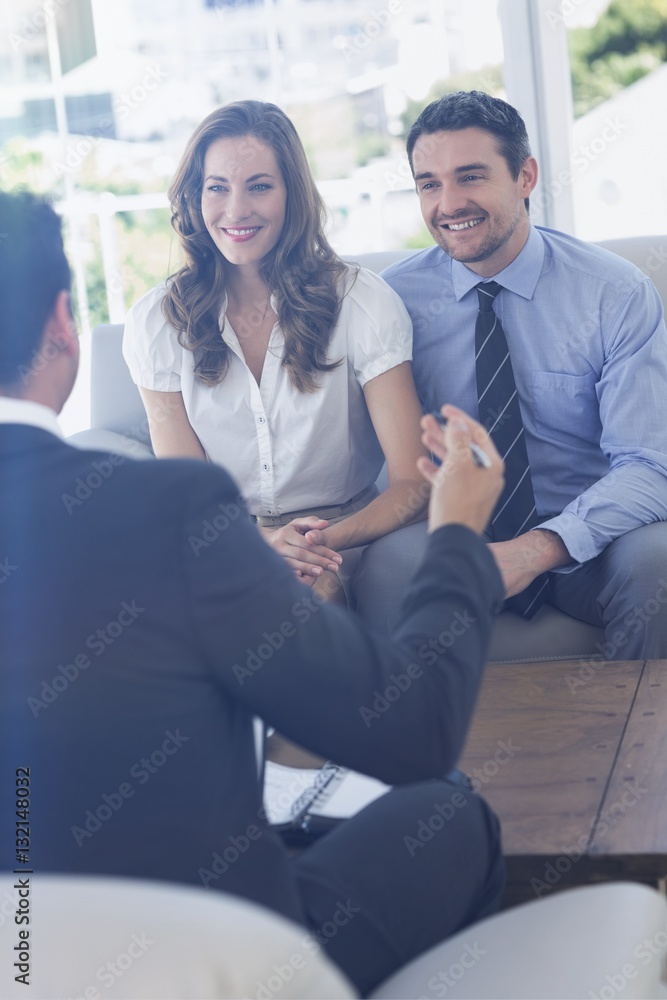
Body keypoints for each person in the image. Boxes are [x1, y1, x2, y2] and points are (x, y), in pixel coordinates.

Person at [0, 190, 505, 996]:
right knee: (447, 808)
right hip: (214, 970)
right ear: (63, 324)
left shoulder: (352, 307)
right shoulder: (167, 511)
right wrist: (456, 536)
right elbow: (414, 731)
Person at [380, 89, 667, 659]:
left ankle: (634, 746)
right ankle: (422, 744)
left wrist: (539, 547)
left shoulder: (614, 293)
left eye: (470, 176)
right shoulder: (392, 300)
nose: (448, 202)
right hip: (456, 530)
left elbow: (649, 464)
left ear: (526, 175)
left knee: (657, 564)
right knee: (389, 566)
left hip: (591, 537)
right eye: (428, 184)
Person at [122, 99, 428, 625]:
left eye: (259, 186)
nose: (235, 210)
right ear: (195, 198)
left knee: (307, 598)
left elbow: (413, 483)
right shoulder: (158, 322)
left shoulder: (362, 302)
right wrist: (261, 545)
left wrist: (311, 543)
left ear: (293, 195)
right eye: (217, 186)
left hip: (345, 538)